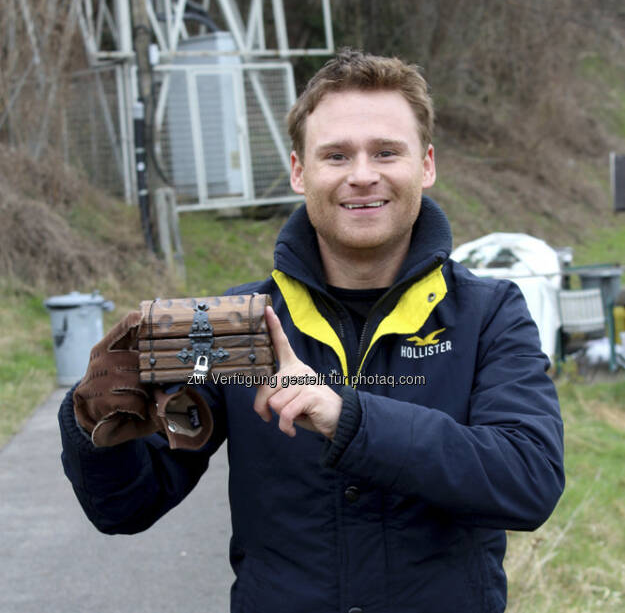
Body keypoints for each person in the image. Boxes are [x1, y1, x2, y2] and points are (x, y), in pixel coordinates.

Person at [59, 48, 565, 613]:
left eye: (386, 152)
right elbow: (124, 509)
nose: (362, 175)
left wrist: (350, 419)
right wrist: (94, 423)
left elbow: (528, 482)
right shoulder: (234, 321)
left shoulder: (487, 313)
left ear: (425, 164)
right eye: (336, 155)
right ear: (300, 171)